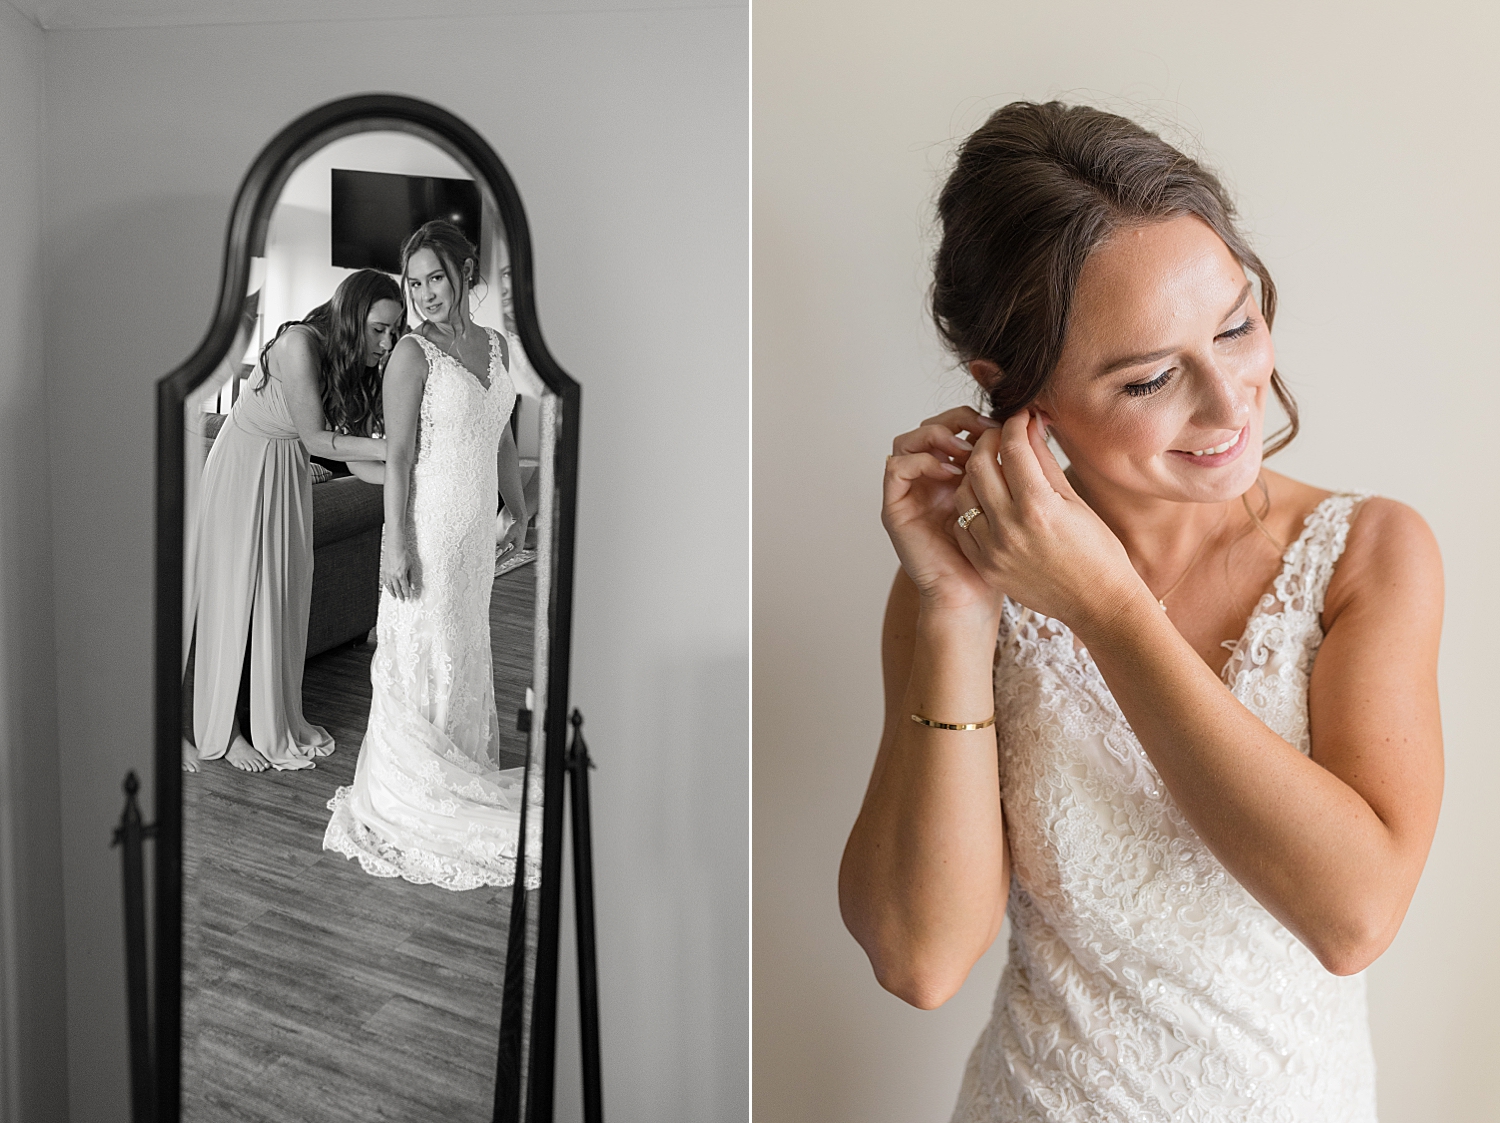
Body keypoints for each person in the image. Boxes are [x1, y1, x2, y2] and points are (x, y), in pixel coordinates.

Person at [838, 102, 1443, 1121]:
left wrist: (1110, 609)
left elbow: (1354, 915)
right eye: (1152, 377)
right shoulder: (967, 580)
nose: (1229, 400)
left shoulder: (1368, 554)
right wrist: (950, 606)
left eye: (1238, 323)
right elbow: (919, 958)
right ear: (1015, 391)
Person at [323, 220, 536, 891]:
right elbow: (401, 456)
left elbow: (498, 431)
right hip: (430, 529)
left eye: (435, 278)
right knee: (430, 645)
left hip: (476, 531)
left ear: (464, 273)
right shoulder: (411, 355)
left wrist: (521, 508)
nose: (424, 294)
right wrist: (397, 542)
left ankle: (464, 760)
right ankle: (420, 787)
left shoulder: (496, 346)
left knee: (466, 645)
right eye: (414, 283)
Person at [185, 269, 403, 773]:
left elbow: (356, 462)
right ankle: (222, 729)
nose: (387, 342)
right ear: (352, 318)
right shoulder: (298, 345)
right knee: (234, 596)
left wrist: (410, 477)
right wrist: (394, 449)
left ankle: (262, 716)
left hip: (286, 472)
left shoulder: (352, 361)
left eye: (393, 331)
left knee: (278, 598)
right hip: (245, 464)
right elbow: (318, 440)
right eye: (378, 329)